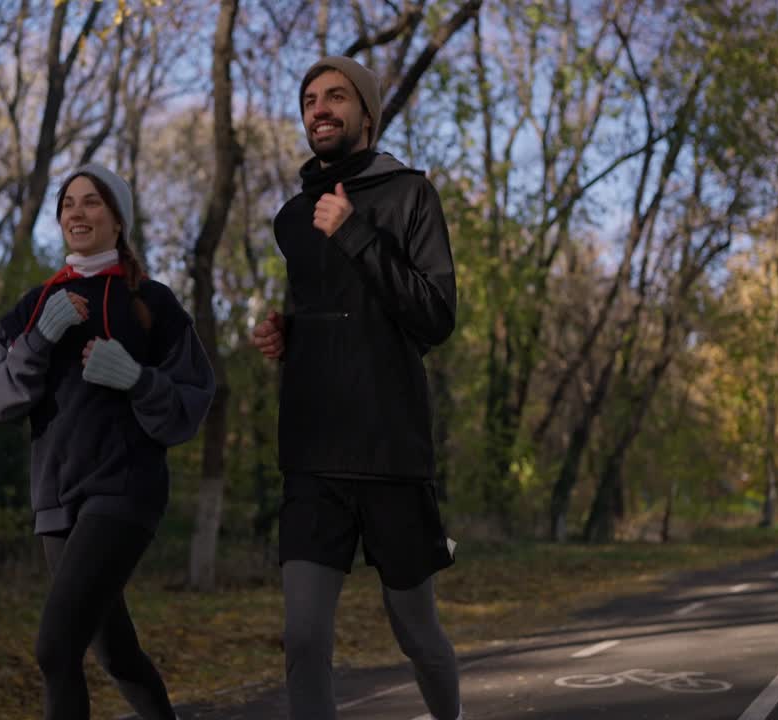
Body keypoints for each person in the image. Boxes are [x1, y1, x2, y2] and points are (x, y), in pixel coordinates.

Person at [250, 56, 463, 720]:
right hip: (312, 450)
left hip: (390, 451)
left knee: (415, 630)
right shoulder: (292, 218)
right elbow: (332, 311)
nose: (320, 108)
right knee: (305, 636)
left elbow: (434, 315)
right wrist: (286, 331)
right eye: (310, 98)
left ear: (366, 115)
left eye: (336, 97)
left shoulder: (409, 195)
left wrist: (357, 236)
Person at [0, 163, 214, 720]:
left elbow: (191, 402)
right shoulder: (35, 305)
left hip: (125, 492)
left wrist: (136, 378)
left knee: (55, 648)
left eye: (92, 202)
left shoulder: (153, 303)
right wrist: (37, 339)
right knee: (118, 654)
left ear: (118, 220)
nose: (77, 213)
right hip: (56, 501)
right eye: (68, 204)